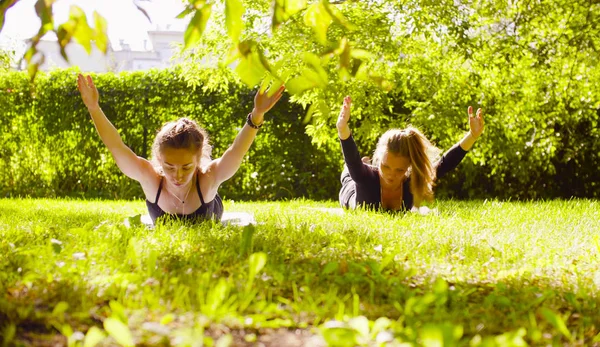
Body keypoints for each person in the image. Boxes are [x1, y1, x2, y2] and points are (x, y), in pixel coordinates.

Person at [77, 74, 284, 224]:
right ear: (159, 160)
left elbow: (236, 151)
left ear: (198, 160)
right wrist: (93, 108)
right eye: (169, 166)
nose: (177, 175)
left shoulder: (208, 178)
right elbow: (116, 147)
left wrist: (257, 113)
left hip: (208, 198)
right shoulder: (150, 178)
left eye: (186, 167)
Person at [336, 96, 484, 212]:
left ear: (408, 167)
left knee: (360, 168)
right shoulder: (365, 178)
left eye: (399, 170)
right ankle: (366, 163)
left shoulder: (412, 181)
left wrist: (472, 135)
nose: (391, 175)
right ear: (379, 158)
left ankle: (366, 162)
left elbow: (445, 164)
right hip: (351, 187)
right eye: (386, 166)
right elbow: (352, 159)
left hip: (365, 170)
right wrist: (342, 128)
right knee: (351, 172)